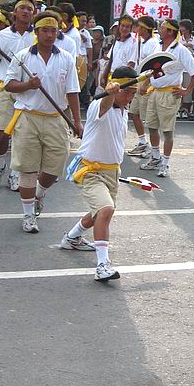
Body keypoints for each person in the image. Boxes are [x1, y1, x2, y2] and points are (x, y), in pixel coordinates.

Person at [4, 12, 82, 234]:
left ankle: (38, 195)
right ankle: (28, 215)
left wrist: (77, 121)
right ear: (36, 32)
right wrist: (28, 84)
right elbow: (9, 84)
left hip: (56, 118)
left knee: (53, 169)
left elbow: (73, 91)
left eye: (54, 30)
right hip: (28, 117)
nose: (50, 34)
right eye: (45, 30)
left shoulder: (66, 57)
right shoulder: (22, 56)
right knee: (27, 169)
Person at [62, 66, 137, 281]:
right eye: (127, 92)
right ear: (116, 89)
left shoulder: (122, 109)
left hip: (112, 172)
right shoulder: (99, 105)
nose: (131, 97)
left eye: (133, 93)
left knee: (99, 213)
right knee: (105, 210)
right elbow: (105, 104)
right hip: (90, 170)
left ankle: (71, 238)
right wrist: (110, 92)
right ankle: (102, 265)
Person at [140, 20, 194, 178]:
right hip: (154, 92)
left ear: (170, 31)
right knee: (152, 126)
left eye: (162, 28)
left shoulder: (181, 50)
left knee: (167, 131)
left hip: (170, 94)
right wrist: (145, 84)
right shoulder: (157, 46)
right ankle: (155, 157)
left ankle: (165, 163)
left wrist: (187, 90)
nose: (159, 30)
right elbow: (151, 69)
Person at [0, 0, 36, 190]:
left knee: (22, 137)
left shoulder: (37, 36)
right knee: (2, 133)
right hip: (7, 87)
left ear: (33, 13)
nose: (25, 11)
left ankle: (15, 173)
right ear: (14, 12)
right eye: (22, 8)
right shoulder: (3, 36)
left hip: (29, 89)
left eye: (29, 9)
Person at [127, 16, 160, 157]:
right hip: (138, 80)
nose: (136, 29)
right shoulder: (139, 42)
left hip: (148, 83)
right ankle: (142, 142)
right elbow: (133, 62)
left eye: (139, 27)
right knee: (134, 113)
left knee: (149, 119)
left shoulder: (154, 43)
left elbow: (156, 67)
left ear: (145, 28)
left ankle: (154, 151)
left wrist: (147, 83)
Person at [179, 19, 194, 117]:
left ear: (187, 28)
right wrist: (186, 46)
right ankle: (178, 110)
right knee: (177, 88)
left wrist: (188, 54)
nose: (180, 29)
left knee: (187, 90)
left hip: (188, 69)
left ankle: (185, 110)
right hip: (179, 68)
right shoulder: (178, 39)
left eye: (182, 26)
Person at [106, 15, 137, 80]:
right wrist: (104, 74)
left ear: (131, 28)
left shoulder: (134, 42)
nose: (124, 29)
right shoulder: (116, 41)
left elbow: (131, 64)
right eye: (122, 26)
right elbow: (110, 61)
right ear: (119, 26)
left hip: (124, 77)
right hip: (112, 76)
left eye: (127, 27)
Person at [77, 11, 93, 106]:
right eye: (82, 21)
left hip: (82, 59)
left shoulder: (86, 33)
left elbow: (89, 48)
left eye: (85, 21)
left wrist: (90, 62)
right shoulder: (68, 31)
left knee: (83, 81)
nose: (84, 23)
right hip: (73, 58)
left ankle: (84, 102)